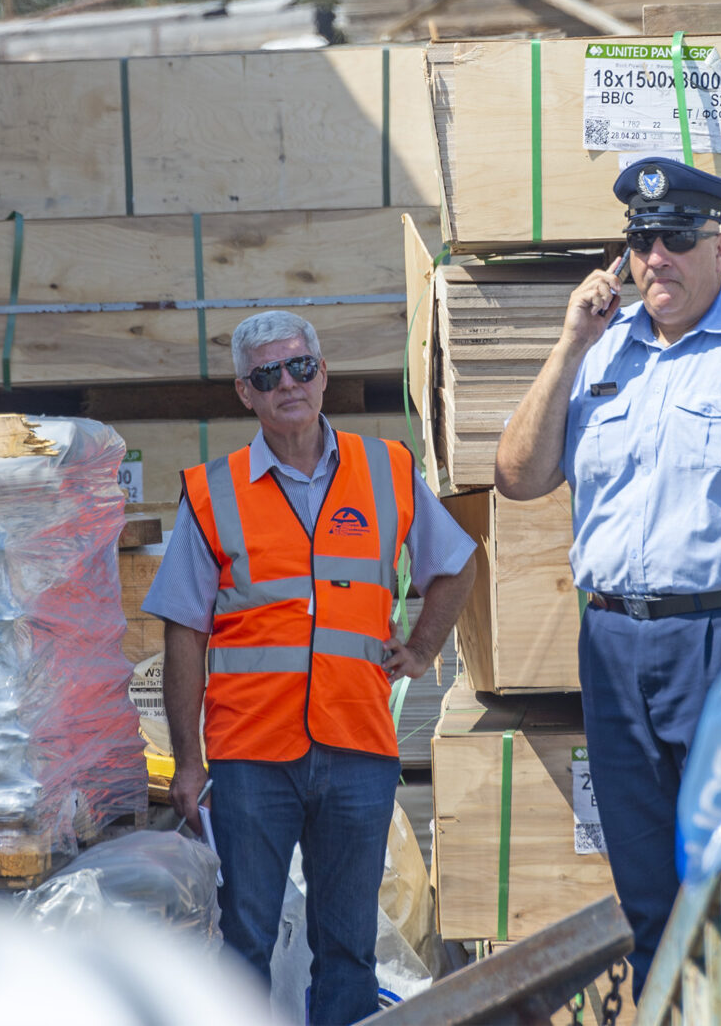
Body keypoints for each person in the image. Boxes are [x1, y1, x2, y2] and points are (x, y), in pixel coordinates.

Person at [492, 157, 721, 992]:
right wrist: (570, 341)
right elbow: (516, 473)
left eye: (677, 237)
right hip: (617, 648)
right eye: (642, 240)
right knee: (649, 895)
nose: (658, 257)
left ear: (720, 244)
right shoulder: (603, 349)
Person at [144, 309, 477, 1024]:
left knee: (348, 947)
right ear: (245, 392)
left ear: (323, 373)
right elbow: (182, 633)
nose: (288, 384)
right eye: (268, 375)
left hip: (356, 748)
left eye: (300, 366)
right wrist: (187, 762)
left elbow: (454, 564)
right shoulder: (213, 491)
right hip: (250, 758)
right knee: (244, 943)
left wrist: (419, 648)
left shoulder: (385, 468)